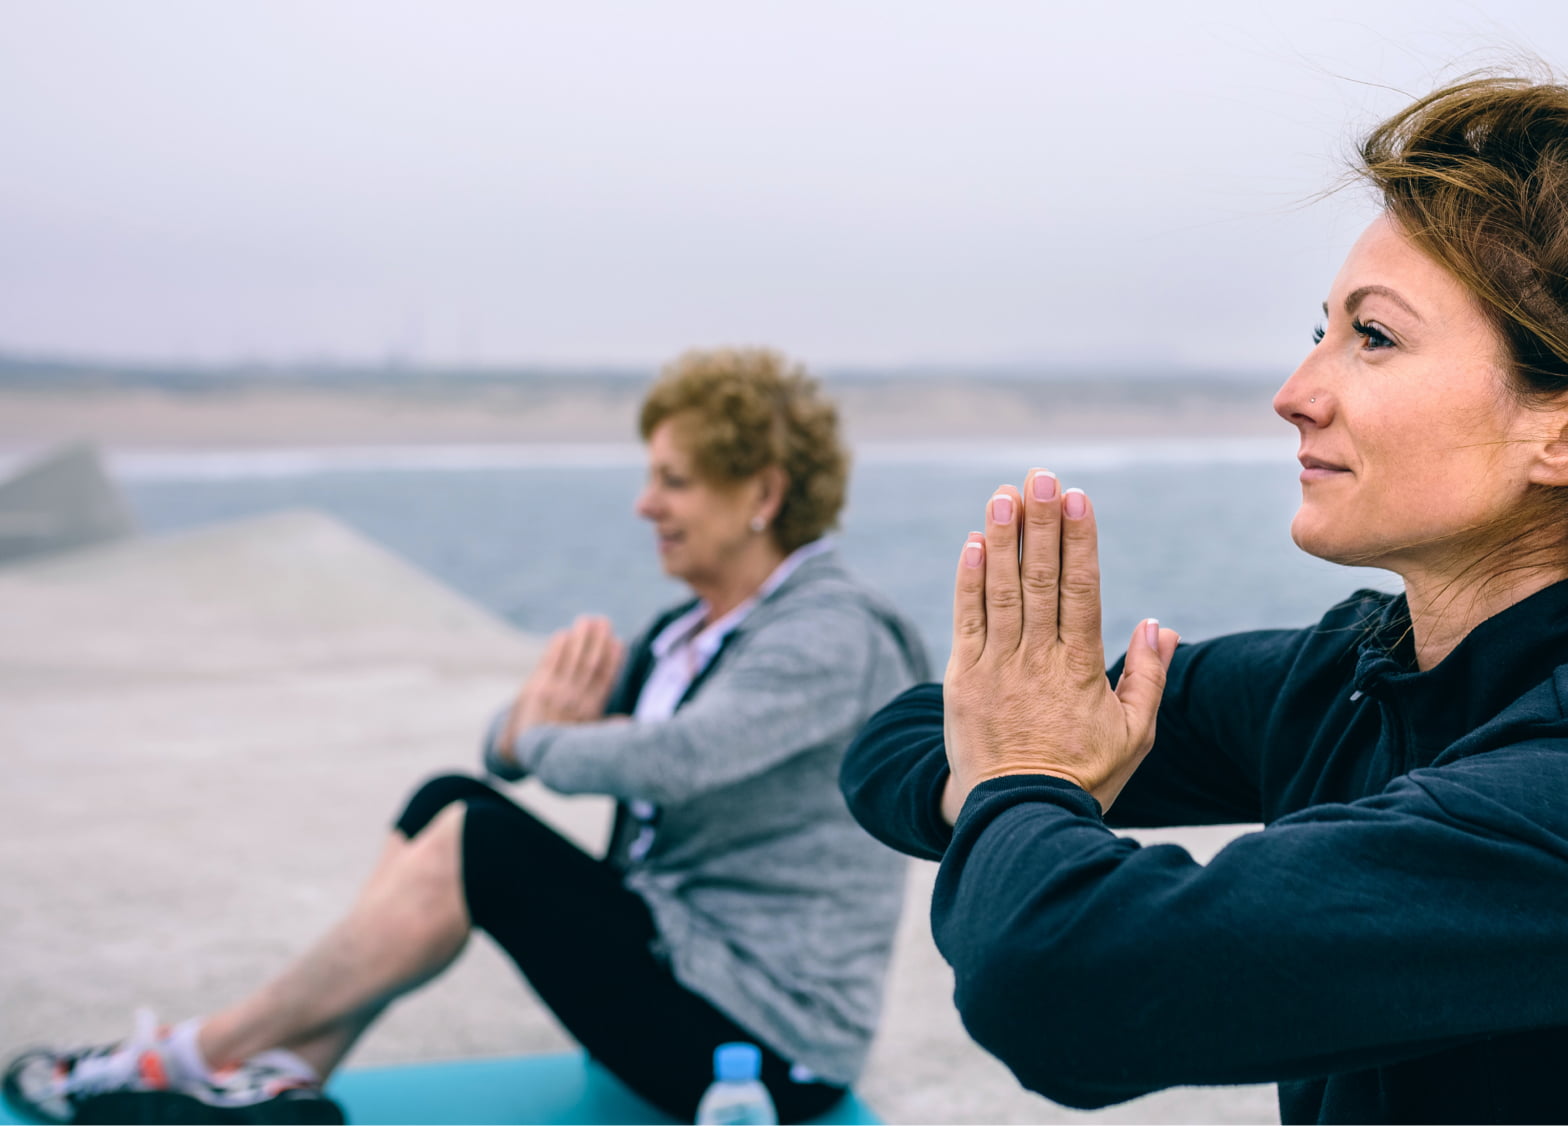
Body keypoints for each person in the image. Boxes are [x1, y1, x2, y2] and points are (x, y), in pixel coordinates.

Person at [841, 75, 1568, 1124]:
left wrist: (1023, 773)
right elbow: (901, 742)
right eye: (1318, 330)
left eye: (1374, 337)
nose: (1296, 393)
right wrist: (1008, 766)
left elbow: (1062, 981)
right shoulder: (1353, 682)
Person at [5, 347, 930, 1125]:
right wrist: (524, 738)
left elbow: (674, 760)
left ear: (762, 492)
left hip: (767, 1045)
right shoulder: (688, 633)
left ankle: (190, 1055)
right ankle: (287, 1082)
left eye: (673, 481)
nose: (645, 504)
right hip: (678, 963)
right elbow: (515, 736)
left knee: (481, 843)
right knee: (447, 800)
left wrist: (537, 743)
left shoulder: (830, 631)